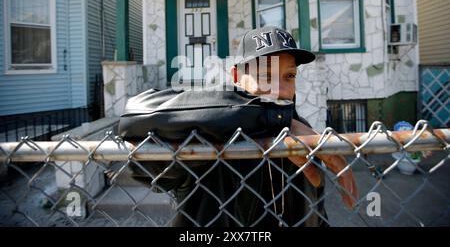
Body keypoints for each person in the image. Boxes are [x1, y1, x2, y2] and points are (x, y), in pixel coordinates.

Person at [118, 26, 358, 227]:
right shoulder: (206, 130)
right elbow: (136, 116)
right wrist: (274, 119)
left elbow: (315, 215)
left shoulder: (305, 134)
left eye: (289, 76)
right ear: (236, 76)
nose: (282, 90)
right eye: (266, 75)